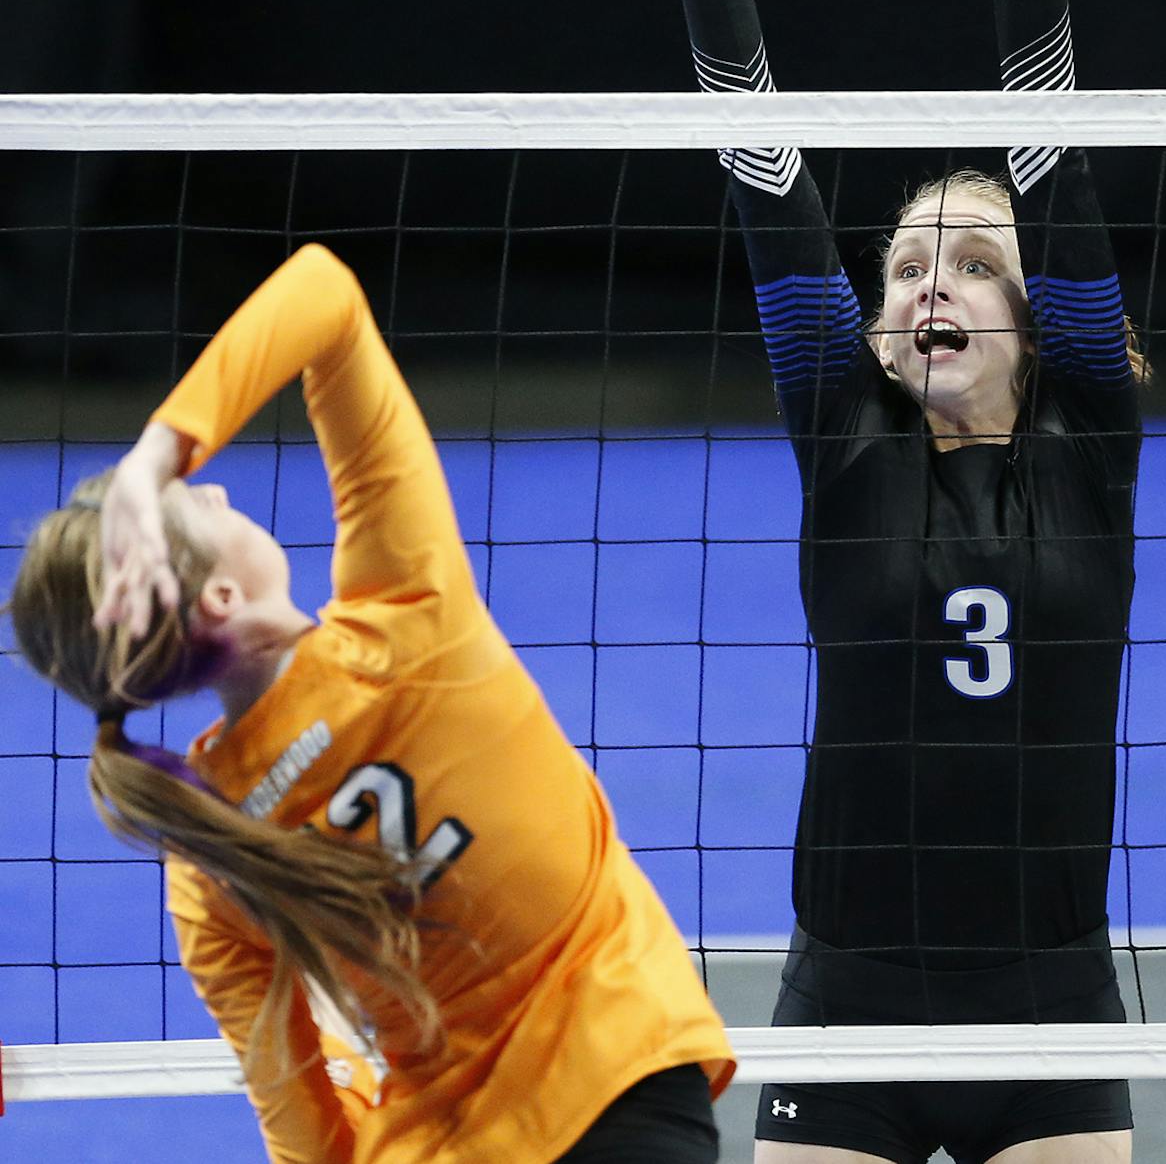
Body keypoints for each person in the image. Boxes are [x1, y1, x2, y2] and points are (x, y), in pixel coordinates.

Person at [536, 0, 1141, 1164]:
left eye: (976, 262)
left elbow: (1047, 124)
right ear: (872, 327)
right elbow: (757, 147)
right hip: (849, 998)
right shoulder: (845, 431)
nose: (933, 282)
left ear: (1041, 309)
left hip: (1052, 1003)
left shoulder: (1093, 440)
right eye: (907, 266)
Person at [5, 243, 733, 1164]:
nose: (220, 487)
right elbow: (324, 291)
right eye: (201, 502)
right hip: (616, 1077)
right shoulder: (407, 623)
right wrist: (156, 459)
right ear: (223, 598)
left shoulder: (202, 855)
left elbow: (302, 1120)